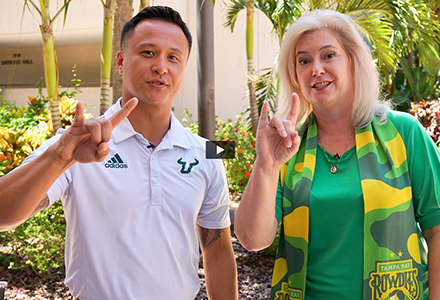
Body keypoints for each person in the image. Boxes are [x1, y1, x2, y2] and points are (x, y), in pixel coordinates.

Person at [0, 6, 238, 300]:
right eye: (148, 52)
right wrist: (60, 157)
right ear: (121, 62)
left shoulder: (205, 154)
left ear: (183, 68)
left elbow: (217, 252)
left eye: (173, 57)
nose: (161, 67)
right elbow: (3, 213)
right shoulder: (76, 145)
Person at [234, 9, 440, 300]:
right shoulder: (287, 147)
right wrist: (266, 165)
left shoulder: (403, 133)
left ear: (354, 63)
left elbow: (437, 226)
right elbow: (252, 239)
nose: (316, 68)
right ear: (295, 75)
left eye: (328, 55)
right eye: (304, 61)